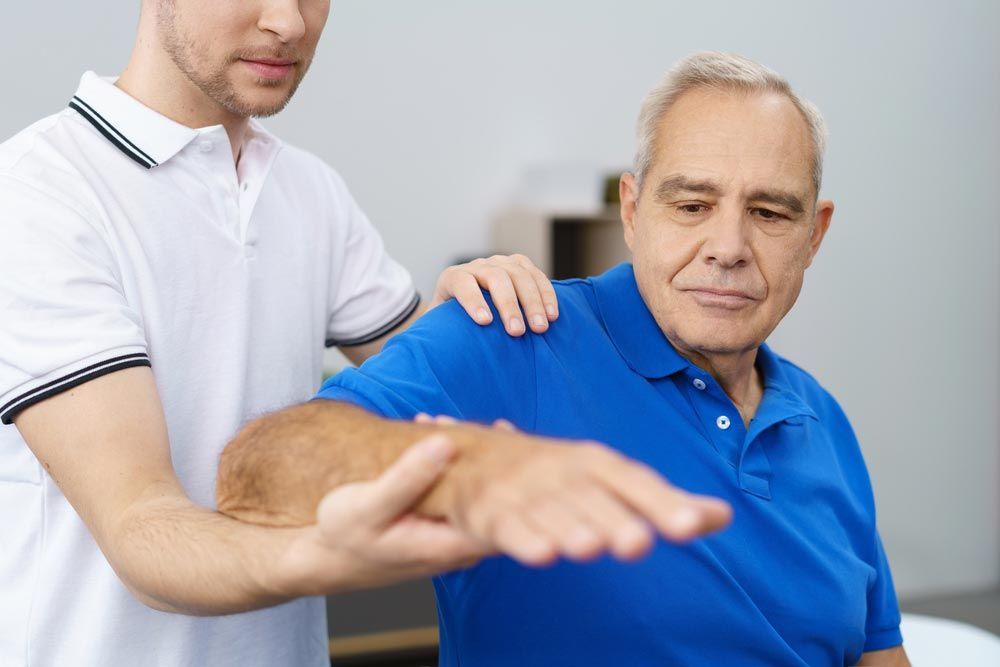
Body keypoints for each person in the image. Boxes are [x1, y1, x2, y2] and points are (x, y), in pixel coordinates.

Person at [0, 1, 675, 665]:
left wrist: (461, 314)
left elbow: (431, 381)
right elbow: (139, 529)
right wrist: (319, 553)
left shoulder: (306, 191)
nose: (289, 22)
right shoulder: (41, 192)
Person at [218, 52, 911, 666]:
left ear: (813, 235)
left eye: (769, 213)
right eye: (693, 204)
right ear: (633, 212)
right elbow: (261, 465)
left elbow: (877, 652)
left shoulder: (824, 422)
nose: (728, 245)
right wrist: (472, 467)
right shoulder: (514, 336)